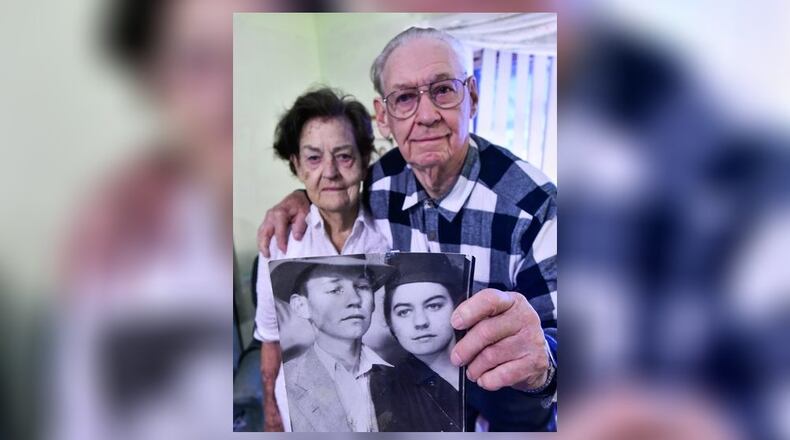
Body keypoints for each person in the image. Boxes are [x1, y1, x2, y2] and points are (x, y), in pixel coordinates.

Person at [258, 27, 557, 431]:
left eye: (443, 90)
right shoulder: (382, 182)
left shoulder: (537, 208)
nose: (427, 114)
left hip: (506, 413)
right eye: (404, 98)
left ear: (472, 96)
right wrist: (298, 198)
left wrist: (547, 364)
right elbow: (333, 184)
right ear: (384, 117)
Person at [252, 88, 391, 431]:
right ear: (296, 165)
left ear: (363, 160)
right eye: (313, 158)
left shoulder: (392, 233)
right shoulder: (281, 243)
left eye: (343, 156)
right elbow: (270, 337)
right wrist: (271, 409)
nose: (329, 172)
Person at [269, 255, 396, 432]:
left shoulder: (401, 376)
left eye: (362, 286)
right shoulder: (284, 385)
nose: (354, 300)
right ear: (301, 306)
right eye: (335, 289)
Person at [375, 252, 465, 431]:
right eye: (404, 312)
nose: (420, 322)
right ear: (390, 323)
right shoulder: (386, 390)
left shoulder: (492, 366)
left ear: (457, 307)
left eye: (434, 306)